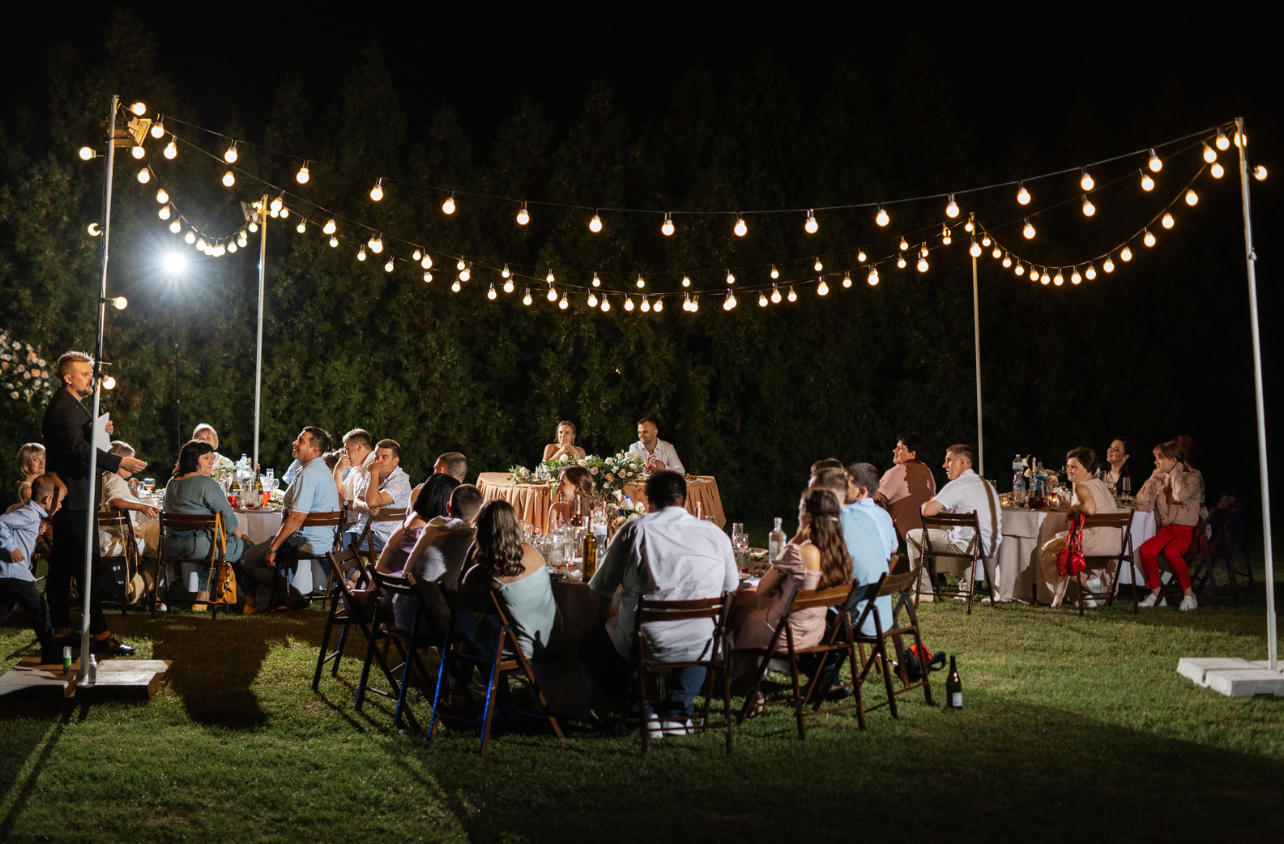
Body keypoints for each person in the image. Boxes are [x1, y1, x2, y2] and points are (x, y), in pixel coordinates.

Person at [581, 471, 737, 735]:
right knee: (697, 635)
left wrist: (602, 616)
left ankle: (640, 712)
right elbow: (731, 591)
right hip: (703, 644)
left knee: (593, 644)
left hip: (645, 643)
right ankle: (677, 714)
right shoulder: (716, 535)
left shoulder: (634, 530)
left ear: (649, 502)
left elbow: (600, 588)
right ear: (685, 503)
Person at [42, 350, 146, 655]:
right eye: (86, 373)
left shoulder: (75, 407)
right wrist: (117, 461)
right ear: (68, 377)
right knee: (89, 566)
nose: (91, 378)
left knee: (62, 566)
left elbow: (82, 443)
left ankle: (60, 630)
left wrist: (98, 432)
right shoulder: (63, 407)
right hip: (73, 496)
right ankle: (100, 635)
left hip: (77, 495)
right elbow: (75, 449)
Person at [730, 487, 851, 657]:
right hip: (814, 631)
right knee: (744, 597)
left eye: (800, 512)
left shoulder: (798, 552)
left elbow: (762, 588)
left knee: (739, 610)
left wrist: (799, 537)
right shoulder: (837, 554)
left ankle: (740, 675)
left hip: (784, 632)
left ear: (808, 517)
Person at [240, 427, 340, 612]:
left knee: (247, 560)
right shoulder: (320, 469)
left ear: (314, 450)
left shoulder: (309, 474)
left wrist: (273, 547)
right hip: (322, 539)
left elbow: (297, 518)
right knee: (261, 556)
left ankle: (293, 596)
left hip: (304, 542)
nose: (295, 443)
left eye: (301, 441)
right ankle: (276, 599)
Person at [459, 500, 562, 661]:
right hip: (550, 640)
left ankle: (461, 678)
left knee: (462, 613)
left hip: (516, 649)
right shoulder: (533, 552)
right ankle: (466, 679)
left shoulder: (483, 571)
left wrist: (474, 546)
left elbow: (460, 592)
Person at [907, 444, 1002, 601]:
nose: (944, 465)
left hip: (967, 545)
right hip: (989, 544)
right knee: (962, 532)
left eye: (949, 461)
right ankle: (965, 590)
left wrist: (928, 503)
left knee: (912, 536)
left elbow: (927, 511)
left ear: (962, 462)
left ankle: (924, 591)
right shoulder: (986, 484)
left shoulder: (958, 485)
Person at [163, 439, 249, 607]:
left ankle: (209, 595)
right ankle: (245, 599)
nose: (212, 462)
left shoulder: (171, 483)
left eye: (212, 457)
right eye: (206, 458)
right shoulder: (206, 483)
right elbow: (228, 518)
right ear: (193, 459)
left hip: (170, 546)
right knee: (244, 550)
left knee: (221, 549)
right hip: (199, 546)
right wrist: (240, 538)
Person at [1036, 447, 1121, 607]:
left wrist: (1073, 508)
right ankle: (1088, 595)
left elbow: (1090, 509)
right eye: (1068, 466)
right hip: (1114, 543)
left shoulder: (1082, 486)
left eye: (1074, 467)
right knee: (1063, 545)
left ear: (1088, 469)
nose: (1068, 470)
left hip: (1095, 542)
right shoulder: (1100, 484)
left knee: (1049, 550)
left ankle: (1085, 587)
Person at [811, 467, 892, 632]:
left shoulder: (830, 522)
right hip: (881, 617)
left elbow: (810, 563)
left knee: (798, 612)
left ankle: (820, 657)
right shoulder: (865, 517)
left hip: (854, 619)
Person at [0, 473, 66, 664]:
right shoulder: (28, 514)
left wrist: (37, 530)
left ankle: (49, 652)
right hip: (14, 573)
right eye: (60, 501)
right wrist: (10, 548)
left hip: (10, 573)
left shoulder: (31, 514)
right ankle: (50, 654)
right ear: (48, 499)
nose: (61, 505)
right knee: (40, 608)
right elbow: (1, 524)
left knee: (2, 612)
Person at [1134, 440, 1202, 611]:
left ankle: (1189, 595)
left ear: (1174, 460)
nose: (1156, 462)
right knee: (1144, 550)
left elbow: (1180, 496)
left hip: (1188, 532)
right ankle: (1157, 595)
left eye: (1160, 458)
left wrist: (1177, 472)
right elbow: (1143, 505)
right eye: (1156, 458)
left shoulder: (1193, 477)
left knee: (1172, 552)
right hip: (1166, 531)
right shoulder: (1160, 479)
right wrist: (1152, 479)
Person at [343, 438, 411, 552]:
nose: (378, 461)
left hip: (381, 537)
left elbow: (374, 502)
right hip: (362, 529)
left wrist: (374, 472)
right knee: (325, 536)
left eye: (384, 457)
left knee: (329, 544)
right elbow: (356, 503)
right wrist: (365, 506)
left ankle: (351, 569)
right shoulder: (373, 476)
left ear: (396, 461)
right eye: (376, 456)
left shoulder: (400, 480)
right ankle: (353, 569)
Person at [99, 441, 160, 558]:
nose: (134, 465)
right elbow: (115, 502)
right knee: (161, 536)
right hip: (119, 536)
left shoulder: (103, 478)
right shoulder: (115, 479)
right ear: (118, 461)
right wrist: (142, 507)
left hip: (106, 533)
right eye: (130, 461)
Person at [874, 432, 937, 545]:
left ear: (912, 454)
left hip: (906, 536)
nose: (894, 451)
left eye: (900, 448)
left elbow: (874, 498)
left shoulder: (900, 470)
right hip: (931, 534)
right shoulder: (927, 471)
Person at [847, 462, 897, 563]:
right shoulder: (884, 515)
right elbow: (894, 549)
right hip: (880, 574)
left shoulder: (849, 514)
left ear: (861, 492)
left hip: (855, 574)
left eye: (845, 486)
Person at [546, 466, 594, 530]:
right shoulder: (557, 509)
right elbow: (550, 538)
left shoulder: (596, 514)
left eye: (562, 483)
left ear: (576, 487)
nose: (558, 487)